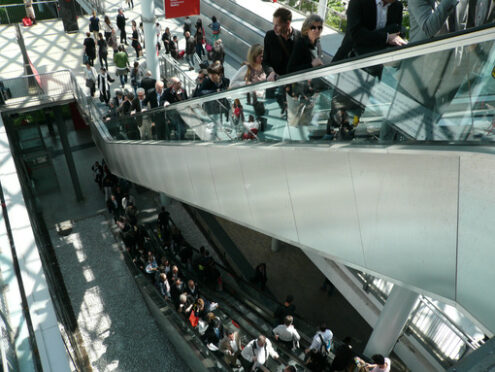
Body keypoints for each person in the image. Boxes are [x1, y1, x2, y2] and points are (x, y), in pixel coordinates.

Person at [332, 0, 406, 62]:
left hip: (375, 63)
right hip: (349, 58)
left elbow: (396, 31)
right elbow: (356, 34)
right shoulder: (359, 1)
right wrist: (386, 38)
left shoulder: (397, 6)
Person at [263, 7, 301, 80]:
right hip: (275, 82)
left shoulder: (300, 38)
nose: (274, 28)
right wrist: (271, 72)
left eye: (277, 25)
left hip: (293, 84)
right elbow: (265, 61)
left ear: (287, 23)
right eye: (273, 24)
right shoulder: (270, 36)